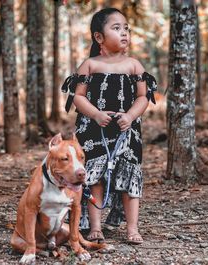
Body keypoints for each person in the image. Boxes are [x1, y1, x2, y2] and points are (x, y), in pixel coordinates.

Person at [61, 7, 157, 245]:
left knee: (129, 175)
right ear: (99, 37)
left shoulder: (134, 65)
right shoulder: (90, 65)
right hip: (94, 130)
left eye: (126, 28)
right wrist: (95, 114)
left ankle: (132, 228)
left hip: (127, 130)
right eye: (116, 28)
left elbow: (143, 97)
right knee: (96, 177)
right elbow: (78, 97)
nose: (124, 33)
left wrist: (131, 116)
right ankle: (95, 227)